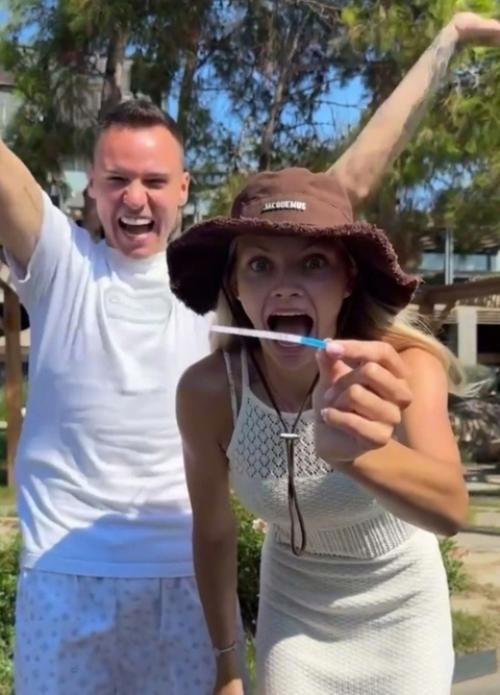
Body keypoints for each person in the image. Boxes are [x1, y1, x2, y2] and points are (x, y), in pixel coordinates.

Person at [0, 10, 497, 694]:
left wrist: (447, 41)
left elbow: (344, 186)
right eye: (116, 180)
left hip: (207, 586)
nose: (135, 197)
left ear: (184, 187)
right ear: (90, 186)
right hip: (73, 576)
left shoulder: (247, 296)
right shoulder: (65, 268)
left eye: (154, 180)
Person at [171, 166, 468, 695]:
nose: (285, 285)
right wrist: (228, 667)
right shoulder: (208, 393)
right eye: (260, 265)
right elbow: (213, 533)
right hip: (294, 613)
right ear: (235, 286)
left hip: (403, 613)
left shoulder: (403, 369)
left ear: (347, 279)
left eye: (313, 263)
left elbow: (450, 510)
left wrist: (358, 455)